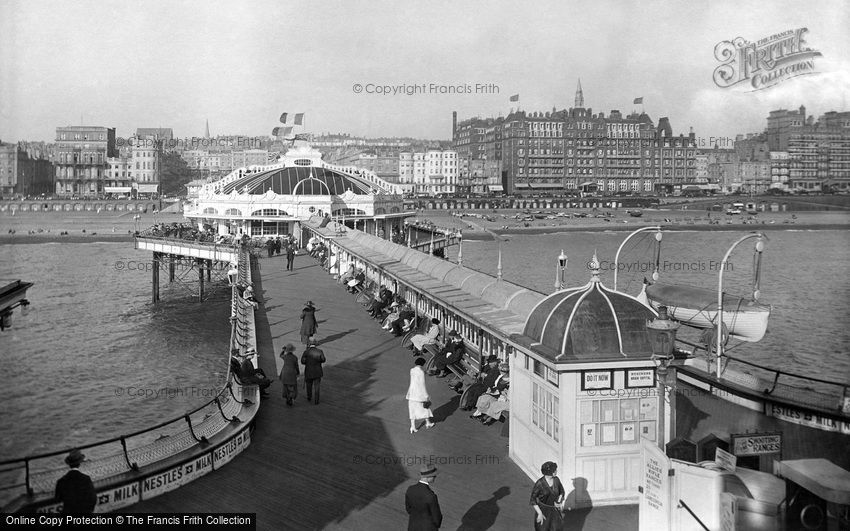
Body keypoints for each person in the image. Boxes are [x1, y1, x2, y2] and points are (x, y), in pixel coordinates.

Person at [55, 449, 97, 514]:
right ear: (79, 464)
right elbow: (93, 498)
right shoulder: (86, 479)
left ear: (69, 464)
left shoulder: (61, 481)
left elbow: (58, 498)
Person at [405, 464, 443, 531]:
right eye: (434, 476)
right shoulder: (431, 496)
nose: (435, 477)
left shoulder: (410, 489)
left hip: (413, 526)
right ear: (429, 477)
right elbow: (437, 517)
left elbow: (408, 509)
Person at [531, 461, 564, 531]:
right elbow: (532, 500)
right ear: (550, 472)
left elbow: (562, 492)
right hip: (543, 511)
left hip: (555, 511)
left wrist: (558, 502)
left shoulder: (556, 480)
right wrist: (539, 513)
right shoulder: (540, 483)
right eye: (554, 470)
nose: (556, 471)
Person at [406, 357, 435, 433]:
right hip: (419, 394)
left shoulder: (411, 370)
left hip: (411, 393)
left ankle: (413, 427)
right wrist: (426, 396)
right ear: (422, 364)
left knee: (412, 410)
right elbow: (422, 384)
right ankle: (428, 423)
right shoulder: (421, 372)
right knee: (425, 409)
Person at [301, 336, 326, 404]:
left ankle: (309, 397)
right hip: (318, 372)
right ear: (315, 343)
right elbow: (323, 360)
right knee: (317, 387)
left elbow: (302, 361)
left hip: (308, 371)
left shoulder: (306, 352)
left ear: (309, 343)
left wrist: (307, 361)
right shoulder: (320, 351)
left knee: (309, 386)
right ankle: (316, 400)